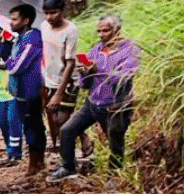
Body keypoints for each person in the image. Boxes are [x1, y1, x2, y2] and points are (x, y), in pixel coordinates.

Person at [50, 14, 140, 180]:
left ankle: (114, 175)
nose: (101, 35)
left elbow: (125, 76)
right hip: (92, 102)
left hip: (116, 104)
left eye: (105, 30)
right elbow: (85, 85)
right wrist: (84, 73)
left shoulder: (130, 50)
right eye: (98, 31)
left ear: (117, 30)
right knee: (67, 130)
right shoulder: (95, 51)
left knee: (115, 139)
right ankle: (68, 167)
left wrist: (97, 70)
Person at [40, 0, 86, 156]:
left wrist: (59, 93)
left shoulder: (70, 30)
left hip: (68, 81)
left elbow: (70, 62)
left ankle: (73, 149)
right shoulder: (44, 26)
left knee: (62, 120)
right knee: (54, 120)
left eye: (53, 13)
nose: (49, 17)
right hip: (49, 78)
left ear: (62, 11)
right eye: (46, 13)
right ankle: (77, 142)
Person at [6, 3, 48, 174]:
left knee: (34, 126)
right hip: (20, 91)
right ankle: (36, 161)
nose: (11, 22)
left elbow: (17, 66)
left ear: (26, 20)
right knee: (28, 125)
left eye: (14, 19)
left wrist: (5, 64)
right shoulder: (19, 39)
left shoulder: (33, 38)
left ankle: (37, 162)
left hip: (31, 90)